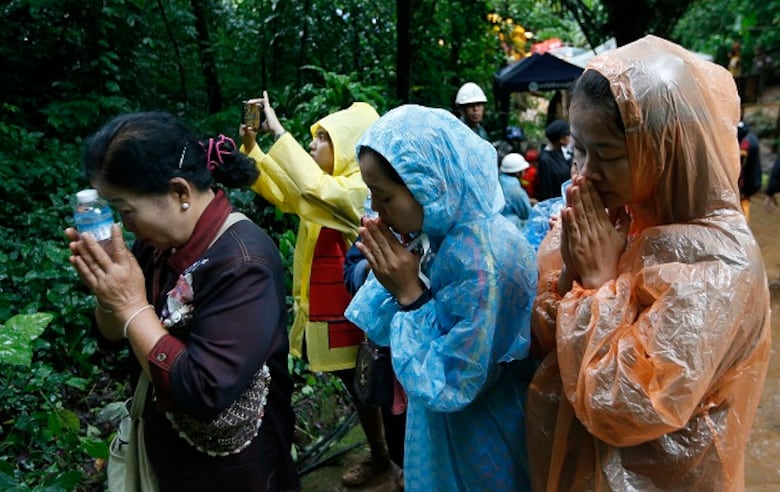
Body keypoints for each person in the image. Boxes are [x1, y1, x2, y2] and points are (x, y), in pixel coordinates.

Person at [527, 35, 771, 491]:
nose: (583, 174)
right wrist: (571, 274)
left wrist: (599, 285)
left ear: (664, 148)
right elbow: (546, 338)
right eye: (580, 149)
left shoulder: (720, 263)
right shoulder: (620, 215)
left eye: (609, 155)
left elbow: (627, 405)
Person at [64, 112, 300, 490]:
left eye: (126, 210)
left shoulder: (243, 260)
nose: (124, 225)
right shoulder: (156, 245)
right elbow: (112, 338)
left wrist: (129, 305)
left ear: (179, 193)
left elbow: (205, 391)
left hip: (238, 474)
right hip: (173, 460)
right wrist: (106, 289)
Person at [345, 104, 538, 491]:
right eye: (372, 197)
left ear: (428, 184)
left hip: (481, 435)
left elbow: (455, 380)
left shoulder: (485, 260)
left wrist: (409, 295)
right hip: (445, 427)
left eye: (384, 198)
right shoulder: (441, 234)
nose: (377, 214)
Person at [239, 94, 392, 487]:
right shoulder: (321, 191)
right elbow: (287, 193)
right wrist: (252, 150)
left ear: (345, 144)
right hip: (330, 312)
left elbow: (312, 189)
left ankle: (398, 459)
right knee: (357, 386)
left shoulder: (360, 189)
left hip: (361, 314)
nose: (312, 145)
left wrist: (277, 129)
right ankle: (382, 456)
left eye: (321, 138)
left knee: (380, 388)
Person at [535, 119, 573, 201]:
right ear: (561, 139)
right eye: (568, 135)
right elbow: (546, 190)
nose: (570, 137)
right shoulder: (546, 160)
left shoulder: (562, 151)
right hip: (556, 203)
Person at [498, 152, 533, 229]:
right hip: (511, 228)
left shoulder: (499, 181)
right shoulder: (516, 190)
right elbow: (526, 214)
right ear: (518, 173)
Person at [737, 120, 762, 221]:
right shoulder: (752, 139)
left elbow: (748, 167)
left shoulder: (746, 143)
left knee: (742, 209)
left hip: (744, 186)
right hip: (748, 184)